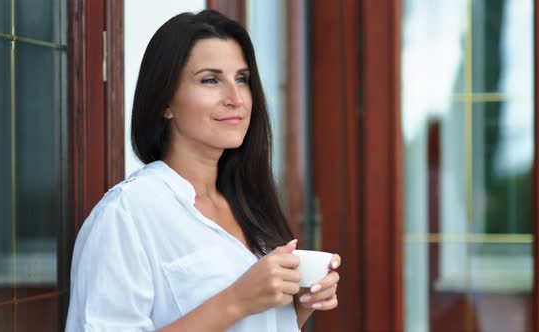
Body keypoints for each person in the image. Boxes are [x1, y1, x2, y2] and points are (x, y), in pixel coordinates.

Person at [65, 10, 340, 332]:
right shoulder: (127, 213)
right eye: (210, 80)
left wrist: (296, 304)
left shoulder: (248, 204)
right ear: (165, 101)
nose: (236, 98)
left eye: (242, 79)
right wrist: (237, 300)